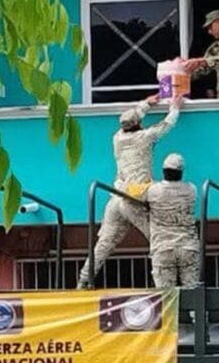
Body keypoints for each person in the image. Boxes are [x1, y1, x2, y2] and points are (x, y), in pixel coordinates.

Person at [77, 94, 181, 289]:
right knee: (158, 239)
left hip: (116, 198)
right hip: (134, 198)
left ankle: (83, 281)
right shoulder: (144, 137)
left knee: (104, 244)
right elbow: (166, 125)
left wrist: (145, 104)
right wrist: (175, 106)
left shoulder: (117, 138)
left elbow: (131, 119)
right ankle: (165, 286)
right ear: (138, 125)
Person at [144, 153, 199, 288]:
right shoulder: (192, 189)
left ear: (163, 171)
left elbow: (139, 199)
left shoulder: (153, 190)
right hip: (188, 247)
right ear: (181, 173)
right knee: (192, 293)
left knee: (166, 296)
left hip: (163, 247)